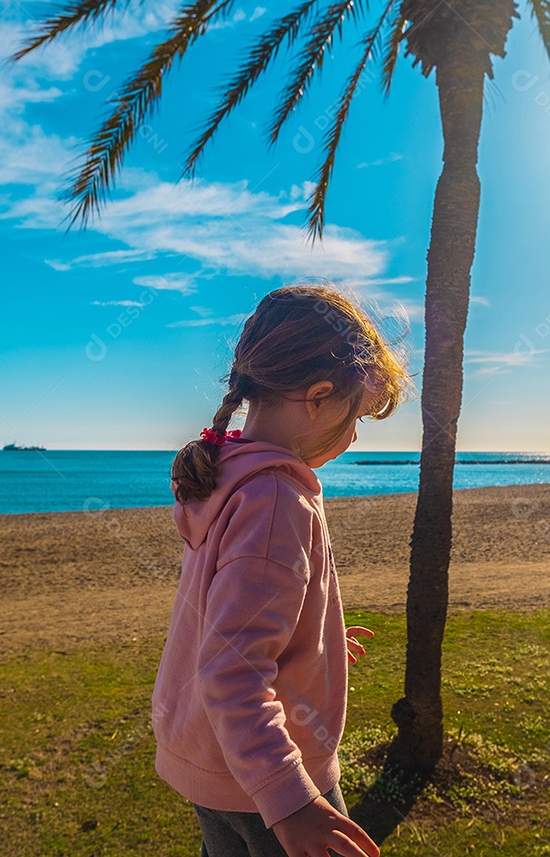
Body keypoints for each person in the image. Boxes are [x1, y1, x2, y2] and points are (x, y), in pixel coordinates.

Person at [152, 283, 411, 857]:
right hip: (268, 776)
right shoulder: (276, 501)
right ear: (319, 396)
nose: (351, 438)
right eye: (357, 419)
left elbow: (231, 619)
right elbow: (232, 671)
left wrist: (312, 639)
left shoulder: (226, 473)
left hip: (211, 762)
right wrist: (290, 800)